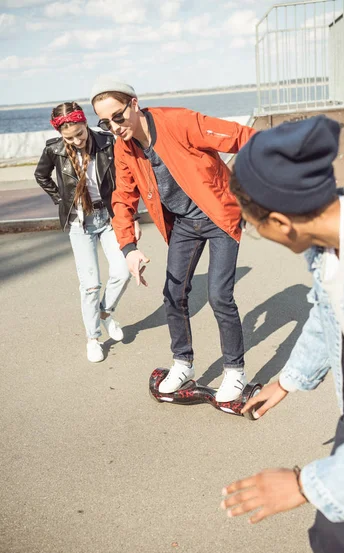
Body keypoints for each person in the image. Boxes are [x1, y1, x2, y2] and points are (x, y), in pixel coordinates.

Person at [221, 115, 344, 553]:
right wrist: (288, 380)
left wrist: (302, 484)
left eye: (255, 226)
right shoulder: (330, 237)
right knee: (332, 539)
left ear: (280, 221)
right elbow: (327, 313)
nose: (261, 235)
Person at [90, 77, 256, 401]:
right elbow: (123, 198)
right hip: (184, 223)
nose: (114, 126)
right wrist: (129, 248)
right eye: (104, 122)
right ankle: (183, 362)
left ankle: (235, 372)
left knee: (220, 296)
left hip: (219, 216)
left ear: (134, 105)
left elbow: (238, 137)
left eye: (118, 117)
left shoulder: (178, 121)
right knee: (173, 294)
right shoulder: (124, 148)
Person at [35, 102, 136, 363]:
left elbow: (124, 180)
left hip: (108, 216)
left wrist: (130, 217)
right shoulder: (54, 149)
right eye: (69, 137)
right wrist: (61, 202)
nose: (76, 141)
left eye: (79, 133)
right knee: (90, 285)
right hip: (80, 223)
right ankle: (93, 338)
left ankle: (105, 313)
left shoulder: (106, 142)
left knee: (123, 271)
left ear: (85, 124)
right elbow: (42, 176)